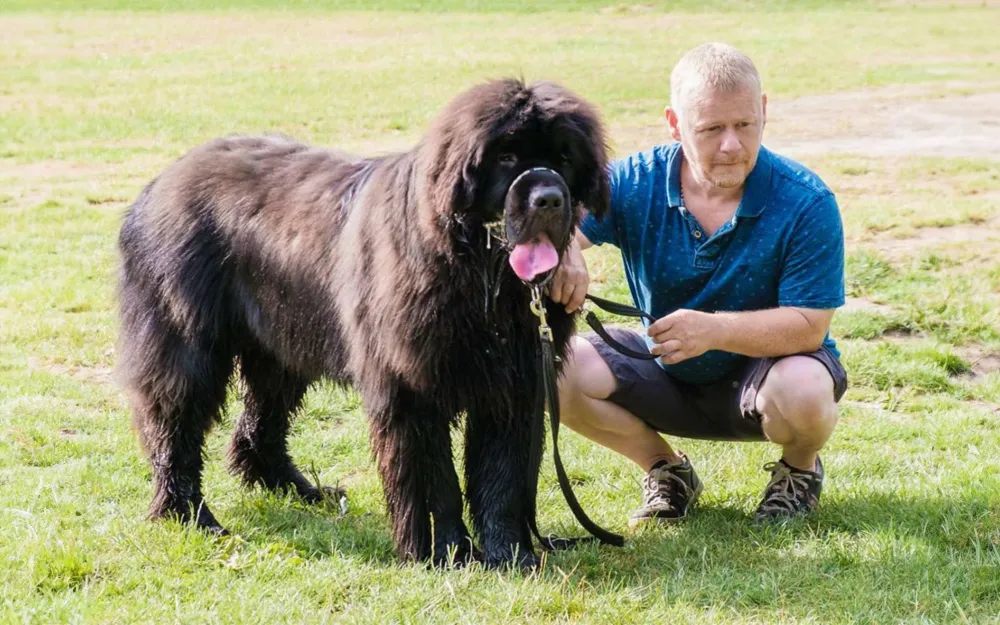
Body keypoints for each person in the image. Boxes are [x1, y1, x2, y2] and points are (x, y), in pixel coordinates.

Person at [551, 42, 848, 526]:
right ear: (674, 123)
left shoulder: (807, 201)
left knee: (806, 388)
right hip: (664, 365)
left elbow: (809, 327)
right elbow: (563, 221)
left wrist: (712, 331)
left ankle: (797, 472)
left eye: (744, 125)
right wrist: (565, 251)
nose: (730, 144)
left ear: (764, 111)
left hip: (768, 378)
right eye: (711, 129)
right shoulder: (632, 180)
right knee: (554, 367)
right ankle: (666, 471)